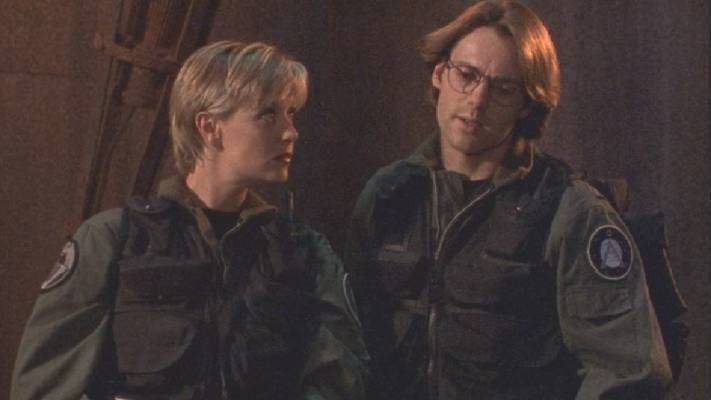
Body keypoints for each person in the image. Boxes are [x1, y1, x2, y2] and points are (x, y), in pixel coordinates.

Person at [344, 1, 672, 399]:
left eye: (502, 89)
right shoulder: (388, 196)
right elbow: (348, 345)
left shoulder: (570, 211)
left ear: (526, 104)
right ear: (439, 74)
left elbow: (629, 373)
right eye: (466, 75)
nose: (477, 100)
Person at [11, 41, 367, 400]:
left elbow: (343, 382)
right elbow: (44, 386)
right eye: (268, 115)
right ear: (210, 127)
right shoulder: (112, 241)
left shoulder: (303, 252)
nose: (290, 132)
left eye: (291, 114)